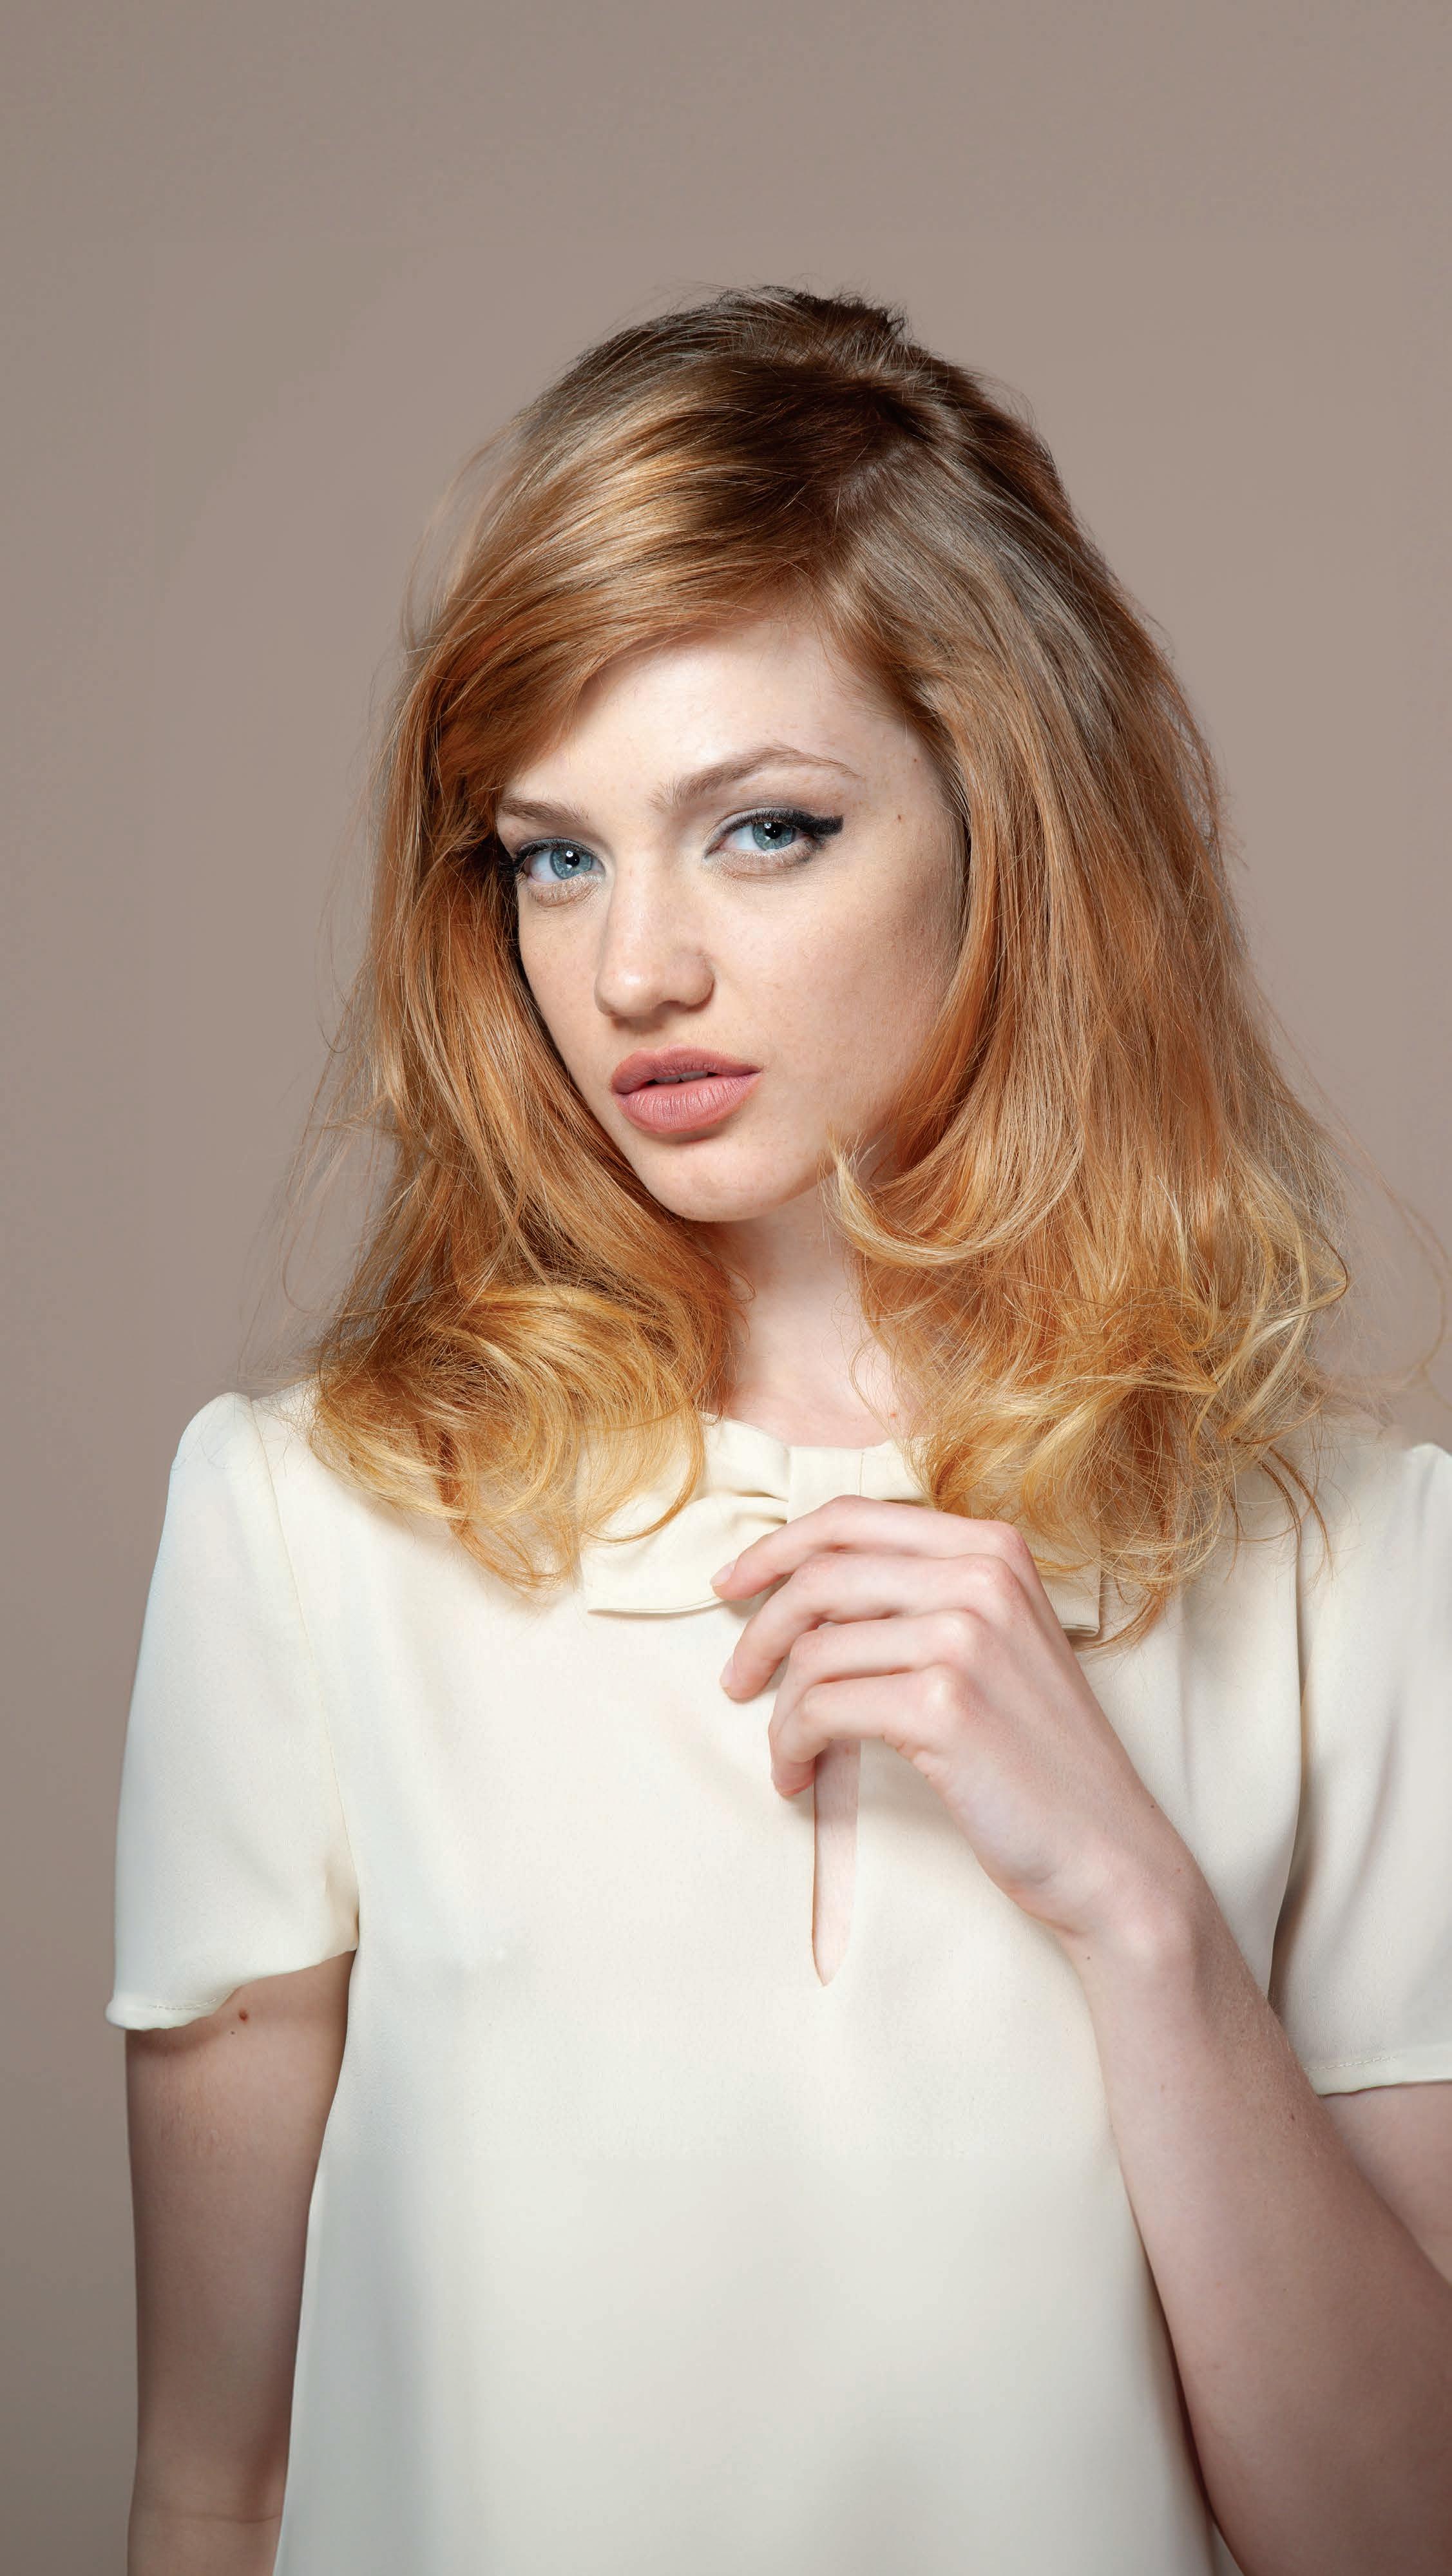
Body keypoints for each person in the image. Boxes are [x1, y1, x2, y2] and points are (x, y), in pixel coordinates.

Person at [108, 287, 1452, 2576]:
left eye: (763, 829)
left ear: (1011, 829)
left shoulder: (1351, 1564)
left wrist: (1139, 1912)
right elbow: (209, 2482)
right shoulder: (316, 1524)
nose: (634, 968)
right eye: (552, 856)